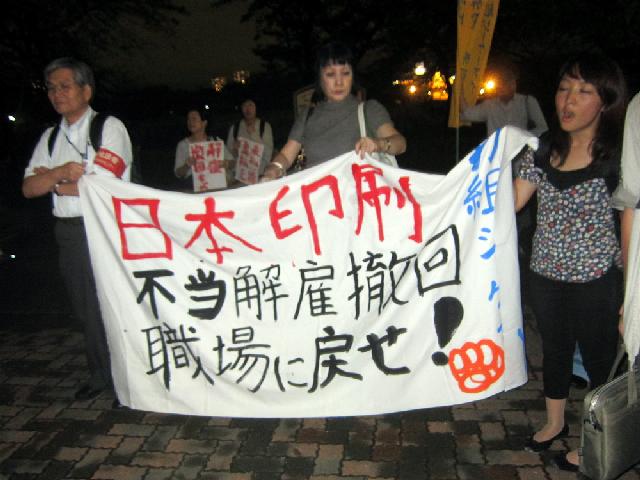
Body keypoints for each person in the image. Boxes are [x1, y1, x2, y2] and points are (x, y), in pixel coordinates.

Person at [513, 53, 627, 472]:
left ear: (605, 101)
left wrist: (629, 292)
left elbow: (630, 224)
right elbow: (512, 202)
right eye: (564, 88)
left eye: (583, 91)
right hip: (545, 274)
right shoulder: (543, 148)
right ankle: (554, 422)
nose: (569, 100)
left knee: (599, 361)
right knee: (556, 350)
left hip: (597, 278)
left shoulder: (617, 157)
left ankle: (597, 441)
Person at [22, 57, 133, 403]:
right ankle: (101, 374)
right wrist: (62, 174)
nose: (57, 94)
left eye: (65, 86)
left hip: (105, 228)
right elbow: (28, 188)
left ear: (86, 90)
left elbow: (103, 185)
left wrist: (52, 182)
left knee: (114, 304)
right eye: (51, 88)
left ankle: (129, 381)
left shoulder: (109, 128)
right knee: (86, 308)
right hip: (70, 232)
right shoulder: (50, 137)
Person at [260, 41, 406, 181]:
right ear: (320, 78)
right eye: (330, 74)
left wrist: (379, 144)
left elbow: (400, 143)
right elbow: (286, 155)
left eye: (345, 73)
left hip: (358, 196)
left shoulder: (369, 109)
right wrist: (274, 168)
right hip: (318, 195)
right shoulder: (308, 115)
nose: (339, 82)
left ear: (353, 76)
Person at [461, 61, 548, 137]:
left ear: (513, 84)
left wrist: (525, 137)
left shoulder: (526, 101)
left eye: (505, 82)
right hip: (496, 149)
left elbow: (542, 128)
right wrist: (459, 91)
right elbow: (467, 114)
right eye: (500, 82)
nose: (501, 86)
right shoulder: (489, 105)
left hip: (519, 148)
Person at [174, 108, 234, 190]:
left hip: (217, 187)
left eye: (194, 119)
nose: (190, 122)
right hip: (193, 189)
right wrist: (186, 165)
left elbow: (232, 162)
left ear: (204, 123)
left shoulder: (215, 142)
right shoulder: (183, 145)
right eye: (188, 119)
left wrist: (226, 163)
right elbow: (178, 173)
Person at [226, 98, 274, 177]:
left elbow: (269, 153)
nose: (247, 109)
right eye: (244, 106)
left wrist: (254, 135)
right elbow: (228, 156)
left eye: (251, 105)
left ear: (256, 107)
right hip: (240, 175)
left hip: (260, 174)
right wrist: (234, 150)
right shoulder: (235, 128)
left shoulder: (264, 126)